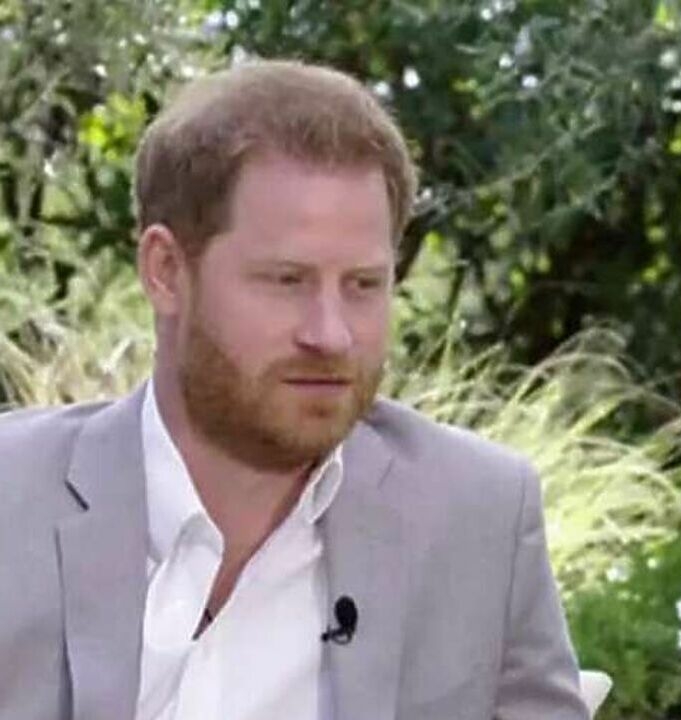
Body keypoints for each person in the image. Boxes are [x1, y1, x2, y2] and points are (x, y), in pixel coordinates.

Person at [0, 60, 590, 720]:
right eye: (286, 281)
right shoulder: (12, 498)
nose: (331, 335)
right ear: (165, 271)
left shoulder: (478, 514)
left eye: (363, 285)